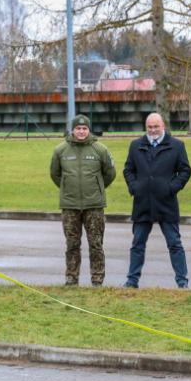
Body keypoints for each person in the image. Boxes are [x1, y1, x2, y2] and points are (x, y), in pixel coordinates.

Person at [123, 112, 191, 289]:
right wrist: (135, 187)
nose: (153, 130)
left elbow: (185, 171)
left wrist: (171, 188)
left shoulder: (177, 145)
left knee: (175, 244)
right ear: (146, 127)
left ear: (163, 126)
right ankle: (132, 281)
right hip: (142, 203)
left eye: (156, 126)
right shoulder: (136, 145)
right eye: (150, 127)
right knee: (137, 245)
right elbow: (128, 170)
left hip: (166, 203)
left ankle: (182, 282)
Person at [50, 114, 116, 286]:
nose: (81, 131)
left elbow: (110, 173)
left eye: (84, 128)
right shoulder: (60, 150)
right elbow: (55, 174)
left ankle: (97, 279)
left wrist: (96, 188)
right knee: (72, 244)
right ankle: (71, 279)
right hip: (70, 206)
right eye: (78, 128)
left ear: (89, 129)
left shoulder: (100, 149)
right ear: (72, 130)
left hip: (94, 205)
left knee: (96, 243)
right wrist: (68, 188)